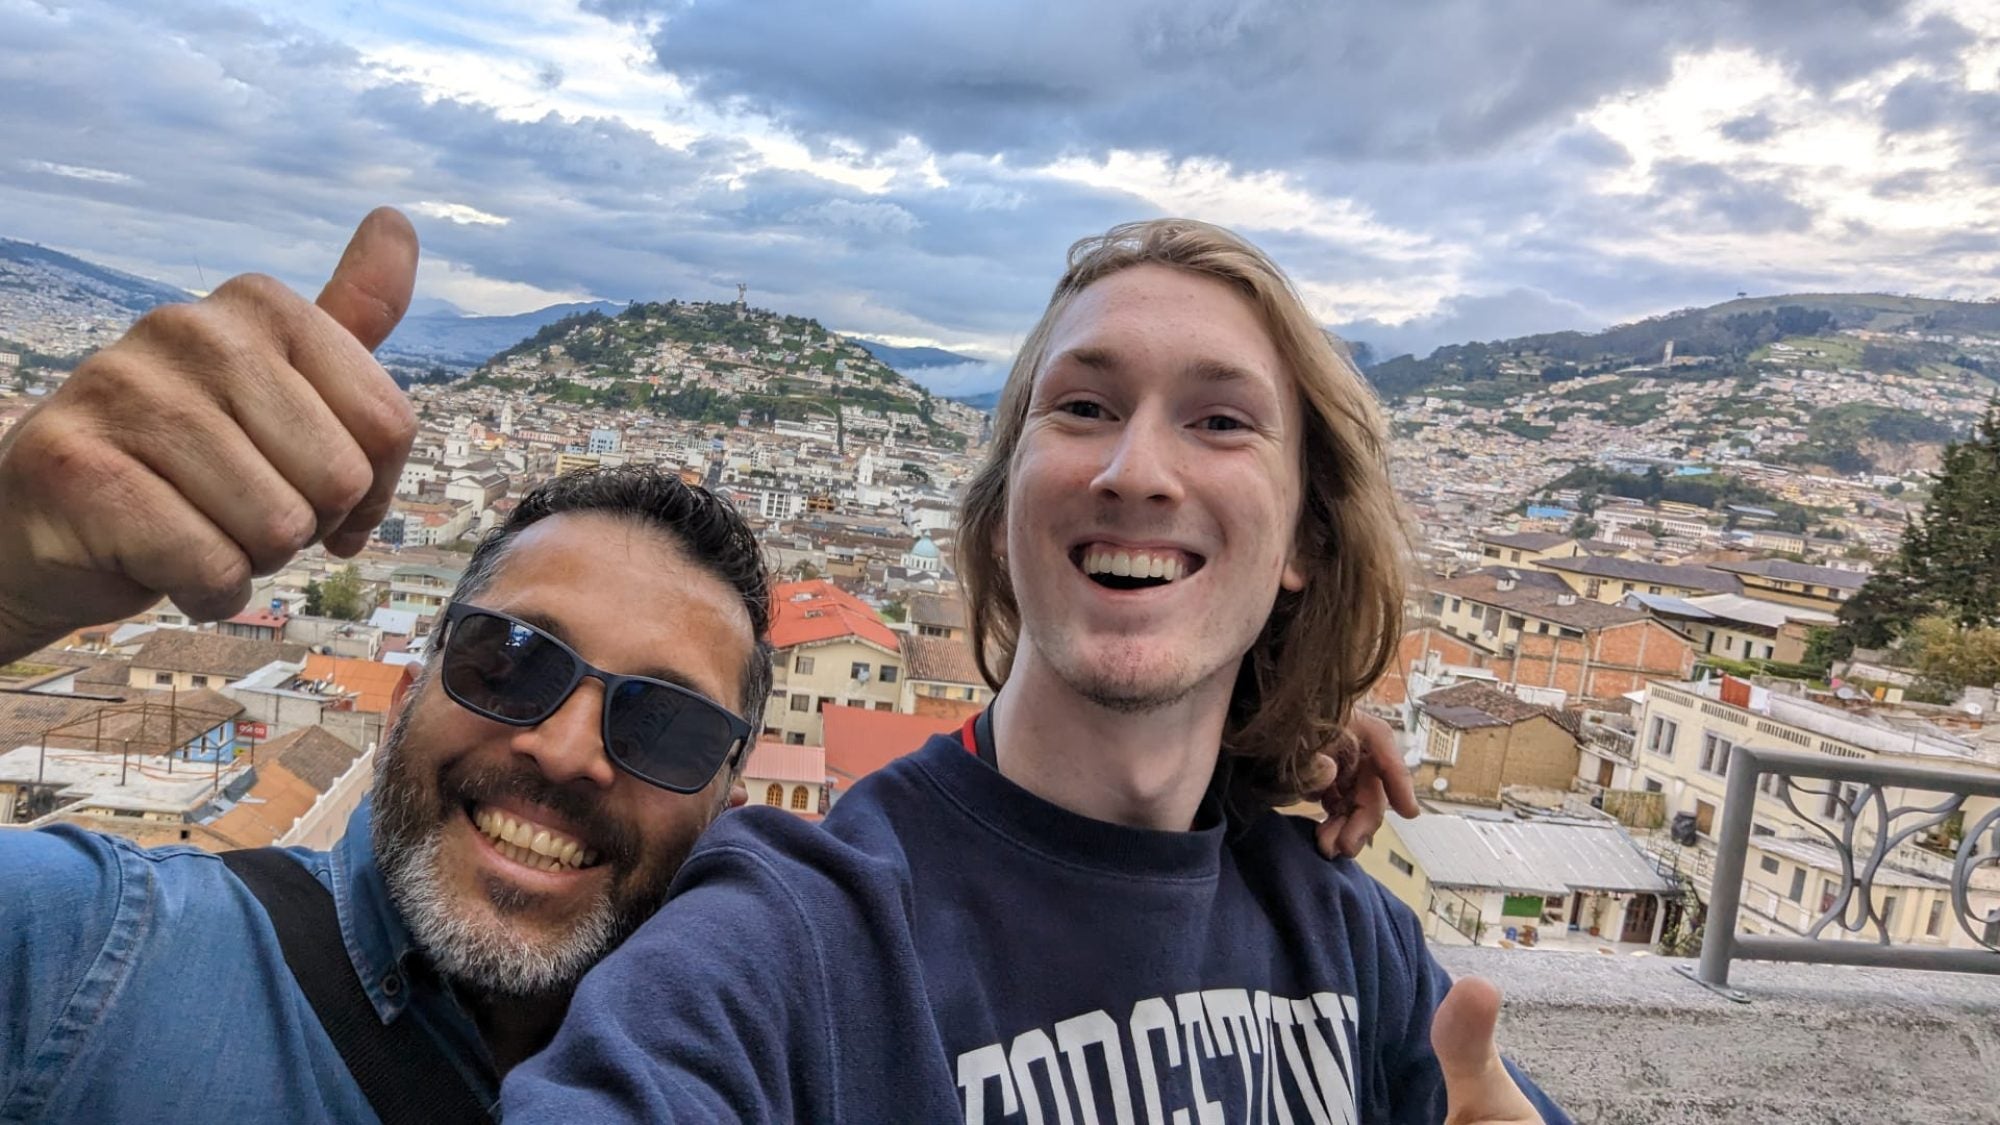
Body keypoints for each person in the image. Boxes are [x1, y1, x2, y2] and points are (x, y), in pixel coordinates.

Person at [0, 211, 1411, 1123]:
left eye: (665, 725)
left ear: (734, 790)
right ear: (412, 666)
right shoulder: (104, 951)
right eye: (511, 659)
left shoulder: (1349, 937)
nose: (562, 747)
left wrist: (1263, 726)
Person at [503, 220, 1571, 1122]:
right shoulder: (801, 940)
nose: (1134, 471)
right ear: (1004, 506)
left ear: (1304, 543)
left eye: (1219, 421)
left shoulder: (1352, 944)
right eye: (1084, 408)